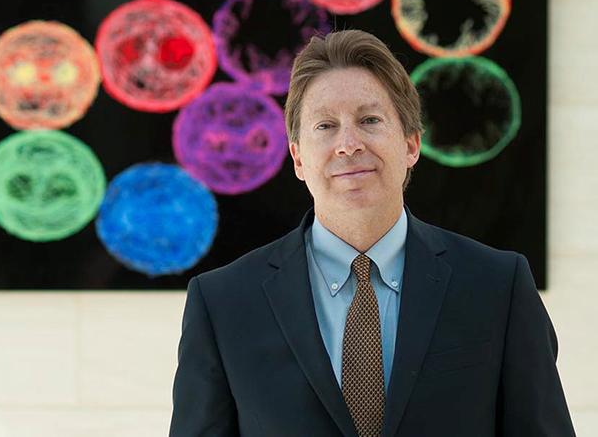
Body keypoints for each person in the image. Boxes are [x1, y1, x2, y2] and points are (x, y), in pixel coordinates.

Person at [169, 30, 575, 437]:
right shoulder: (222, 304)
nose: (348, 144)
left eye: (369, 120)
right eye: (325, 125)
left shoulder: (498, 287)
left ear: (411, 143)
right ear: (297, 158)